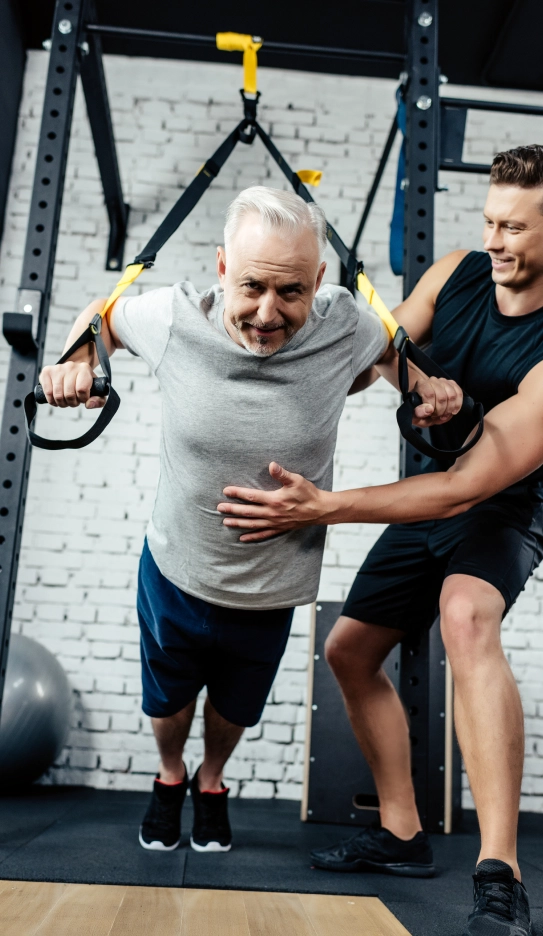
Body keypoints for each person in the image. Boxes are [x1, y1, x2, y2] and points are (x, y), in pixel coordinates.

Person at [40, 186, 459, 857]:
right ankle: (170, 774)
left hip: (270, 588)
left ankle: (211, 781)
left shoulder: (344, 323)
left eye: (290, 292)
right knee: (168, 705)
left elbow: (389, 350)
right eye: (252, 288)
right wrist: (77, 359)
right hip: (176, 566)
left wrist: (423, 384)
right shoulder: (175, 317)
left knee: (235, 711)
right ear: (220, 269)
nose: (267, 313)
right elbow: (105, 314)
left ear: (318, 282)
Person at [217, 146, 543, 936]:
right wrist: (359, 362)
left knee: (467, 616)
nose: (495, 240)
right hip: (427, 498)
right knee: (350, 650)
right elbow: (382, 350)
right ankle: (401, 831)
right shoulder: (458, 270)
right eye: (490, 221)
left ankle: (498, 869)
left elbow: (467, 483)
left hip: (499, 507)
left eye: (515, 228)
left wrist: (322, 507)